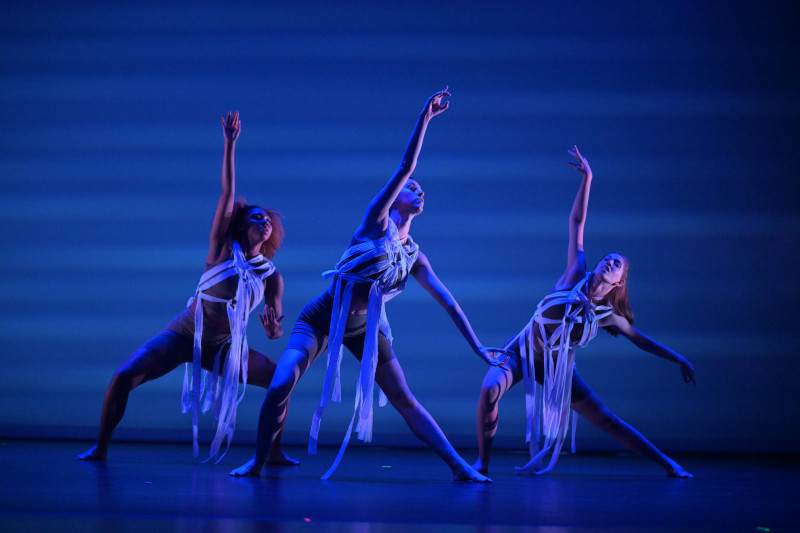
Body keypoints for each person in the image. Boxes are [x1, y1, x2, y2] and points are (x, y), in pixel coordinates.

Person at [230, 87, 509, 482]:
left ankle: (460, 467)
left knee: (404, 399)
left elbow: (448, 303)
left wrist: (479, 346)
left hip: (366, 329)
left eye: (421, 190)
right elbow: (404, 168)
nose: (419, 190)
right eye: (413, 189)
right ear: (395, 201)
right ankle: (257, 462)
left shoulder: (414, 255)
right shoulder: (375, 225)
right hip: (322, 319)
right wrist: (424, 118)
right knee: (279, 386)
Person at [78, 112, 296, 465]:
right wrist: (230, 144)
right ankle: (100, 447)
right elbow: (227, 193)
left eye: (268, 220)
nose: (265, 222)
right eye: (258, 217)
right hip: (183, 335)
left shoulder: (271, 276)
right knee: (123, 377)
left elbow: (276, 330)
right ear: (241, 226)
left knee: (279, 379)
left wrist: (274, 330)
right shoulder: (222, 250)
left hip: (225, 348)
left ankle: (273, 452)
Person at [473, 146, 696, 478]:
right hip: (521, 351)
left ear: (620, 282)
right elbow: (576, 222)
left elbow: (641, 341)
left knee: (606, 419)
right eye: (607, 257)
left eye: (616, 263)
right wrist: (588, 179)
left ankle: (669, 464)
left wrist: (679, 358)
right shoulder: (575, 272)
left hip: (559, 370)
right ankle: (483, 463)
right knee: (489, 389)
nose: (608, 261)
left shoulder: (607, 314)